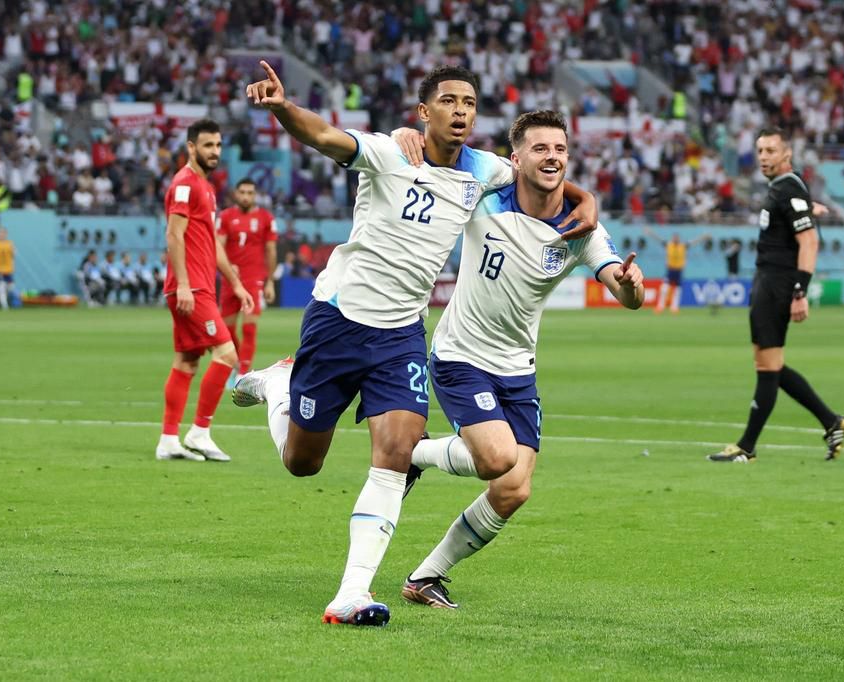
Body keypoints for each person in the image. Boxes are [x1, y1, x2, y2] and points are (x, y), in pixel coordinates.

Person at [230, 62, 598, 627]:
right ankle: (281, 384)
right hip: (338, 318)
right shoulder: (387, 152)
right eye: (448, 101)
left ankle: (351, 594)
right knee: (303, 463)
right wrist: (282, 108)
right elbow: (324, 135)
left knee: (396, 456)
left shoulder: (484, 170)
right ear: (424, 113)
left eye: (469, 103)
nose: (460, 111)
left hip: (402, 334)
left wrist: (586, 200)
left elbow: (542, 173)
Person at [401, 110, 645, 610]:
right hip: (461, 354)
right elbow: (436, 151)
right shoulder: (484, 194)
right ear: (516, 159)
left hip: (518, 367)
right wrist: (409, 135)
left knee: (513, 489)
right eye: (539, 148)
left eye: (559, 149)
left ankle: (426, 577)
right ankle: (415, 453)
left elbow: (623, 292)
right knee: (496, 459)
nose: (551, 157)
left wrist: (632, 288)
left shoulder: (581, 229)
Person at [708, 127, 844, 463]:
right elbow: (796, 216)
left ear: (787, 153)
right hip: (769, 281)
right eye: (759, 150)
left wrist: (800, 291)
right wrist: (807, 207)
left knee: (766, 366)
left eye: (771, 150)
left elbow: (809, 241)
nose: (763, 157)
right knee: (771, 365)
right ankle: (832, 422)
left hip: (777, 284)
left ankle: (747, 447)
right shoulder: (788, 187)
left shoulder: (787, 188)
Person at [155, 118, 254, 463]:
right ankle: (200, 432)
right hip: (191, 288)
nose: (215, 152)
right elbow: (173, 234)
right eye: (208, 145)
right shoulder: (184, 184)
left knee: (186, 361)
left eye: (218, 145)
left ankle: (169, 439)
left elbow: (212, 243)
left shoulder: (206, 188)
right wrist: (183, 283)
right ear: (191, 147)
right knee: (227, 355)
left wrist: (236, 283)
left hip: (200, 286)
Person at [216, 178, 278, 378]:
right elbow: (219, 245)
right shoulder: (225, 217)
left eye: (250, 193)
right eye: (242, 192)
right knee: (227, 328)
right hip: (230, 279)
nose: (246, 196)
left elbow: (271, 250)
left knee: (249, 327)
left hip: (254, 279)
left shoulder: (266, 218)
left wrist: (270, 281)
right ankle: (236, 364)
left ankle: (243, 374)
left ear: (255, 195)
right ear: (236, 194)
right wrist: (227, 265)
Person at [643, 227, 709, 313]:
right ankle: (660, 306)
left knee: (677, 290)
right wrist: (650, 233)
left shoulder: (683, 246)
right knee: (664, 288)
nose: (675, 239)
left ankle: (674, 307)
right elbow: (658, 239)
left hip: (678, 270)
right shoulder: (669, 245)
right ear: (672, 238)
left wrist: (703, 237)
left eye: (677, 238)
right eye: (674, 238)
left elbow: (694, 242)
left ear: (679, 239)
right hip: (670, 270)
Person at [0, 226, 15, 309]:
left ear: (6, 234)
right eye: (0, 233)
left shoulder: (10, 243)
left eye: (3, 233)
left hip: (8, 269)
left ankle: (1, 301)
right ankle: (4, 305)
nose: (1, 235)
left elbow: (13, 255)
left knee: (10, 288)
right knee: (1, 287)